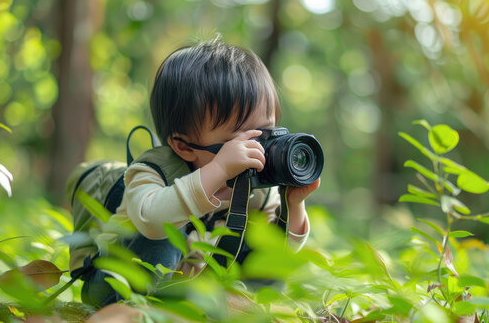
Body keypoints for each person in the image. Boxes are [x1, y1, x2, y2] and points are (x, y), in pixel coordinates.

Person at [82, 37, 320, 307]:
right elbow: (151, 221)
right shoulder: (153, 172)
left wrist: (294, 204)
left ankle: (234, 306)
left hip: (189, 291)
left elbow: (277, 253)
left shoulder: (256, 187)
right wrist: (218, 169)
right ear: (184, 146)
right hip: (115, 283)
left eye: (267, 133)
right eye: (241, 139)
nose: (258, 149)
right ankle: (136, 309)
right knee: (164, 236)